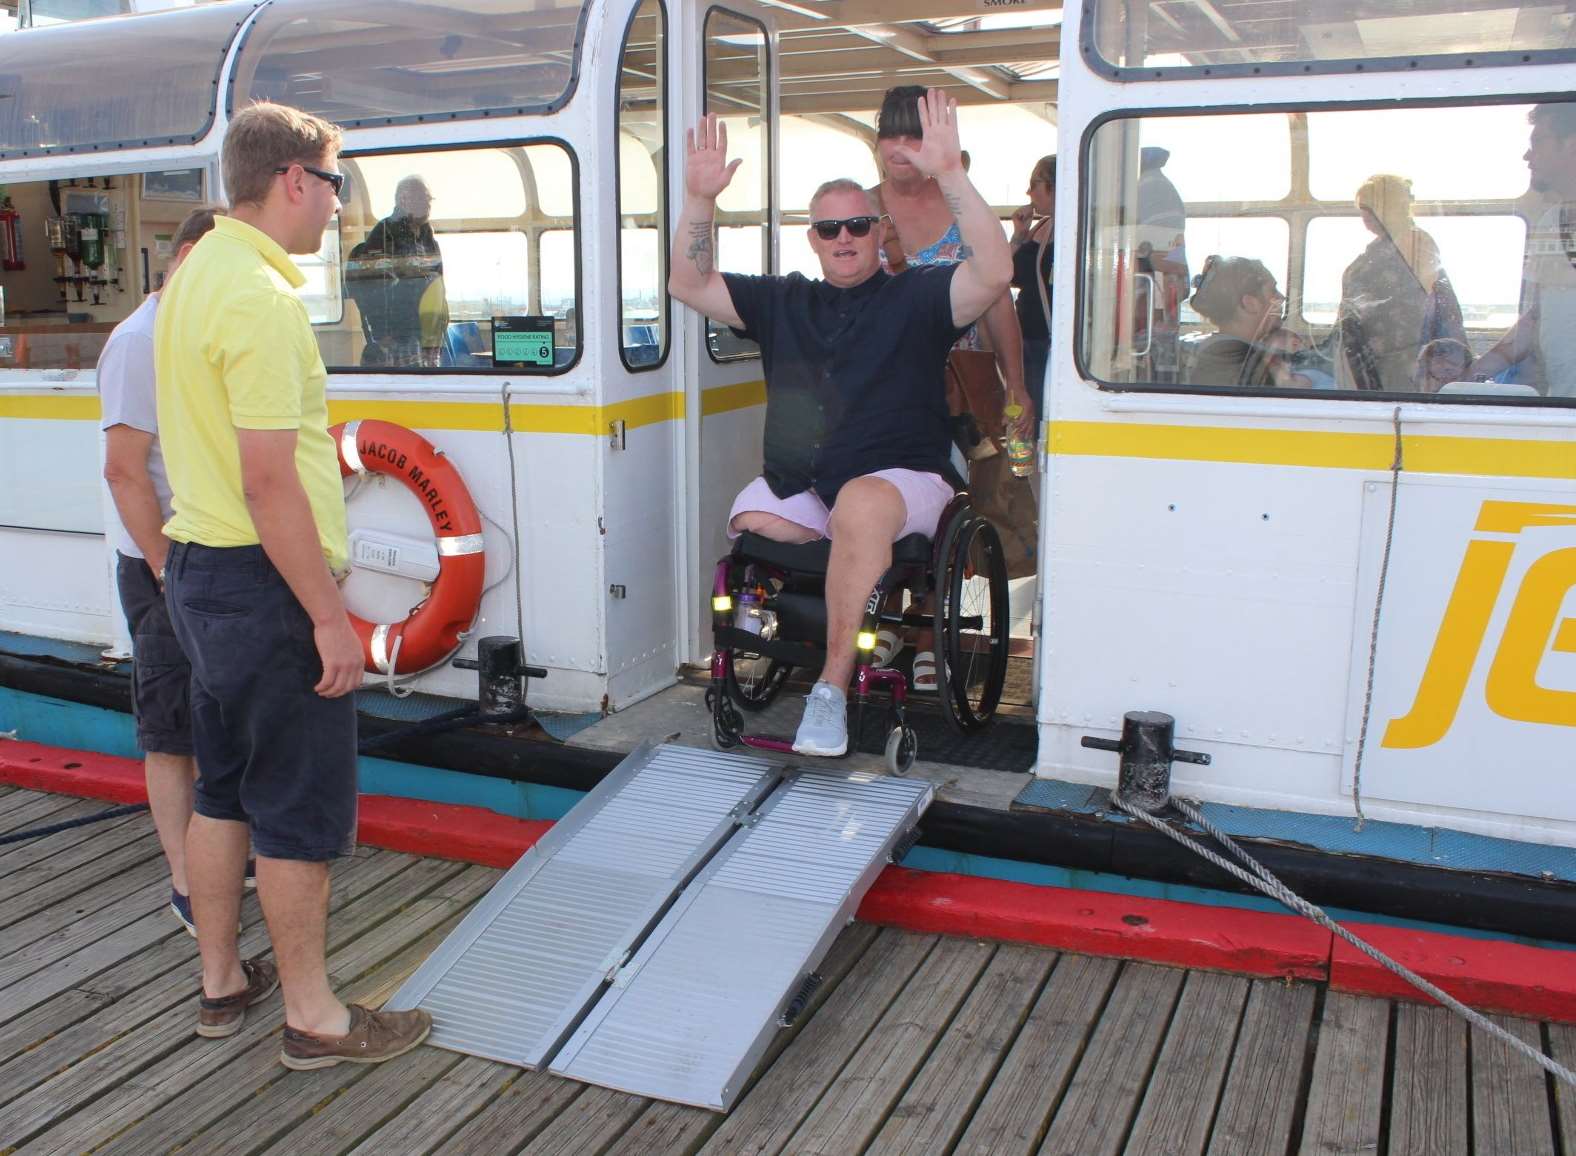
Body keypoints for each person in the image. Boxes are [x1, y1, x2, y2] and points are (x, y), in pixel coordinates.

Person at [154, 101, 430, 1068]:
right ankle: (316, 1019)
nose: (338, 210)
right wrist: (330, 618)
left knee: (223, 791)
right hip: (264, 587)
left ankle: (221, 984)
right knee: (296, 810)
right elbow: (270, 480)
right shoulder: (264, 303)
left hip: (198, 573)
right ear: (296, 181)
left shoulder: (194, 277)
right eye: (336, 185)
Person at [669, 93, 1012, 757]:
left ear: (879, 230)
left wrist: (950, 174)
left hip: (904, 476)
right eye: (830, 230)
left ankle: (829, 689)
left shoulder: (918, 297)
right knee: (751, 520)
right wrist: (700, 198)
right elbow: (688, 281)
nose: (845, 238)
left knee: (859, 505)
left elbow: (996, 271)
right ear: (813, 238)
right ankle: (839, 611)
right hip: (811, 481)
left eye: (858, 225)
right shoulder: (783, 300)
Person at [100, 206, 250, 937]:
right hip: (161, 563)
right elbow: (125, 472)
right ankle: (186, 881)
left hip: (206, 555)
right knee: (169, 728)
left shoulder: (200, 331)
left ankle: (221, 850)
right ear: (185, 256)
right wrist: (165, 568)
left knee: (216, 710)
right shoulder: (138, 344)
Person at [871, 85, 1036, 686]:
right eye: (890, 132)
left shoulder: (967, 207)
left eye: (915, 134)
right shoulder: (860, 210)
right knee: (888, 504)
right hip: (887, 389)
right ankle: (892, 620)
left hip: (964, 390)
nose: (900, 147)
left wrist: (1015, 383)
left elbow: (999, 304)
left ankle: (934, 633)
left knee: (964, 508)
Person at [1470, 103, 1576, 397]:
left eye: (1538, 142)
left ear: (1572, 145)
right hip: (1564, 406)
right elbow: (1536, 317)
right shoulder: (1550, 221)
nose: (1528, 156)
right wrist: (1470, 375)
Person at [1336, 174, 1465, 392]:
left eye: (1371, 206)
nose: (1364, 213)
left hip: (1401, 355)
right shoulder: (1380, 246)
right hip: (1368, 351)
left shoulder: (1415, 242)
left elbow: (1425, 298)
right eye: (1362, 207)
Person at [345, 175, 448, 367]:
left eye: (429, 199)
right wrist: (384, 333)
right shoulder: (384, 234)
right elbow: (372, 289)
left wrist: (437, 331)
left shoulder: (427, 235)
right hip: (397, 337)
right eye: (423, 198)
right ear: (403, 199)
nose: (428, 203)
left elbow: (437, 280)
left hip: (424, 337)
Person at [1188, 256, 1309, 389]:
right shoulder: (1235, 357)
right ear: (1250, 304)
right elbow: (1295, 386)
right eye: (1273, 291)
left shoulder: (1225, 349)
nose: (1282, 298)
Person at [1136, 146, 1189, 382]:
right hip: (1158, 309)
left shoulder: (1151, 188)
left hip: (1152, 314)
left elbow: (1167, 260)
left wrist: (1142, 256)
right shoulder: (1161, 187)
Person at [1010, 154, 1055, 411]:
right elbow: (1007, 272)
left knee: (1038, 409)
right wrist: (1019, 235)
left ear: (1053, 185)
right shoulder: (1041, 228)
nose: (1029, 192)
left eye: (1035, 183)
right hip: (1027, 336)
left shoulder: (1075, 230)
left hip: (1046, 340)